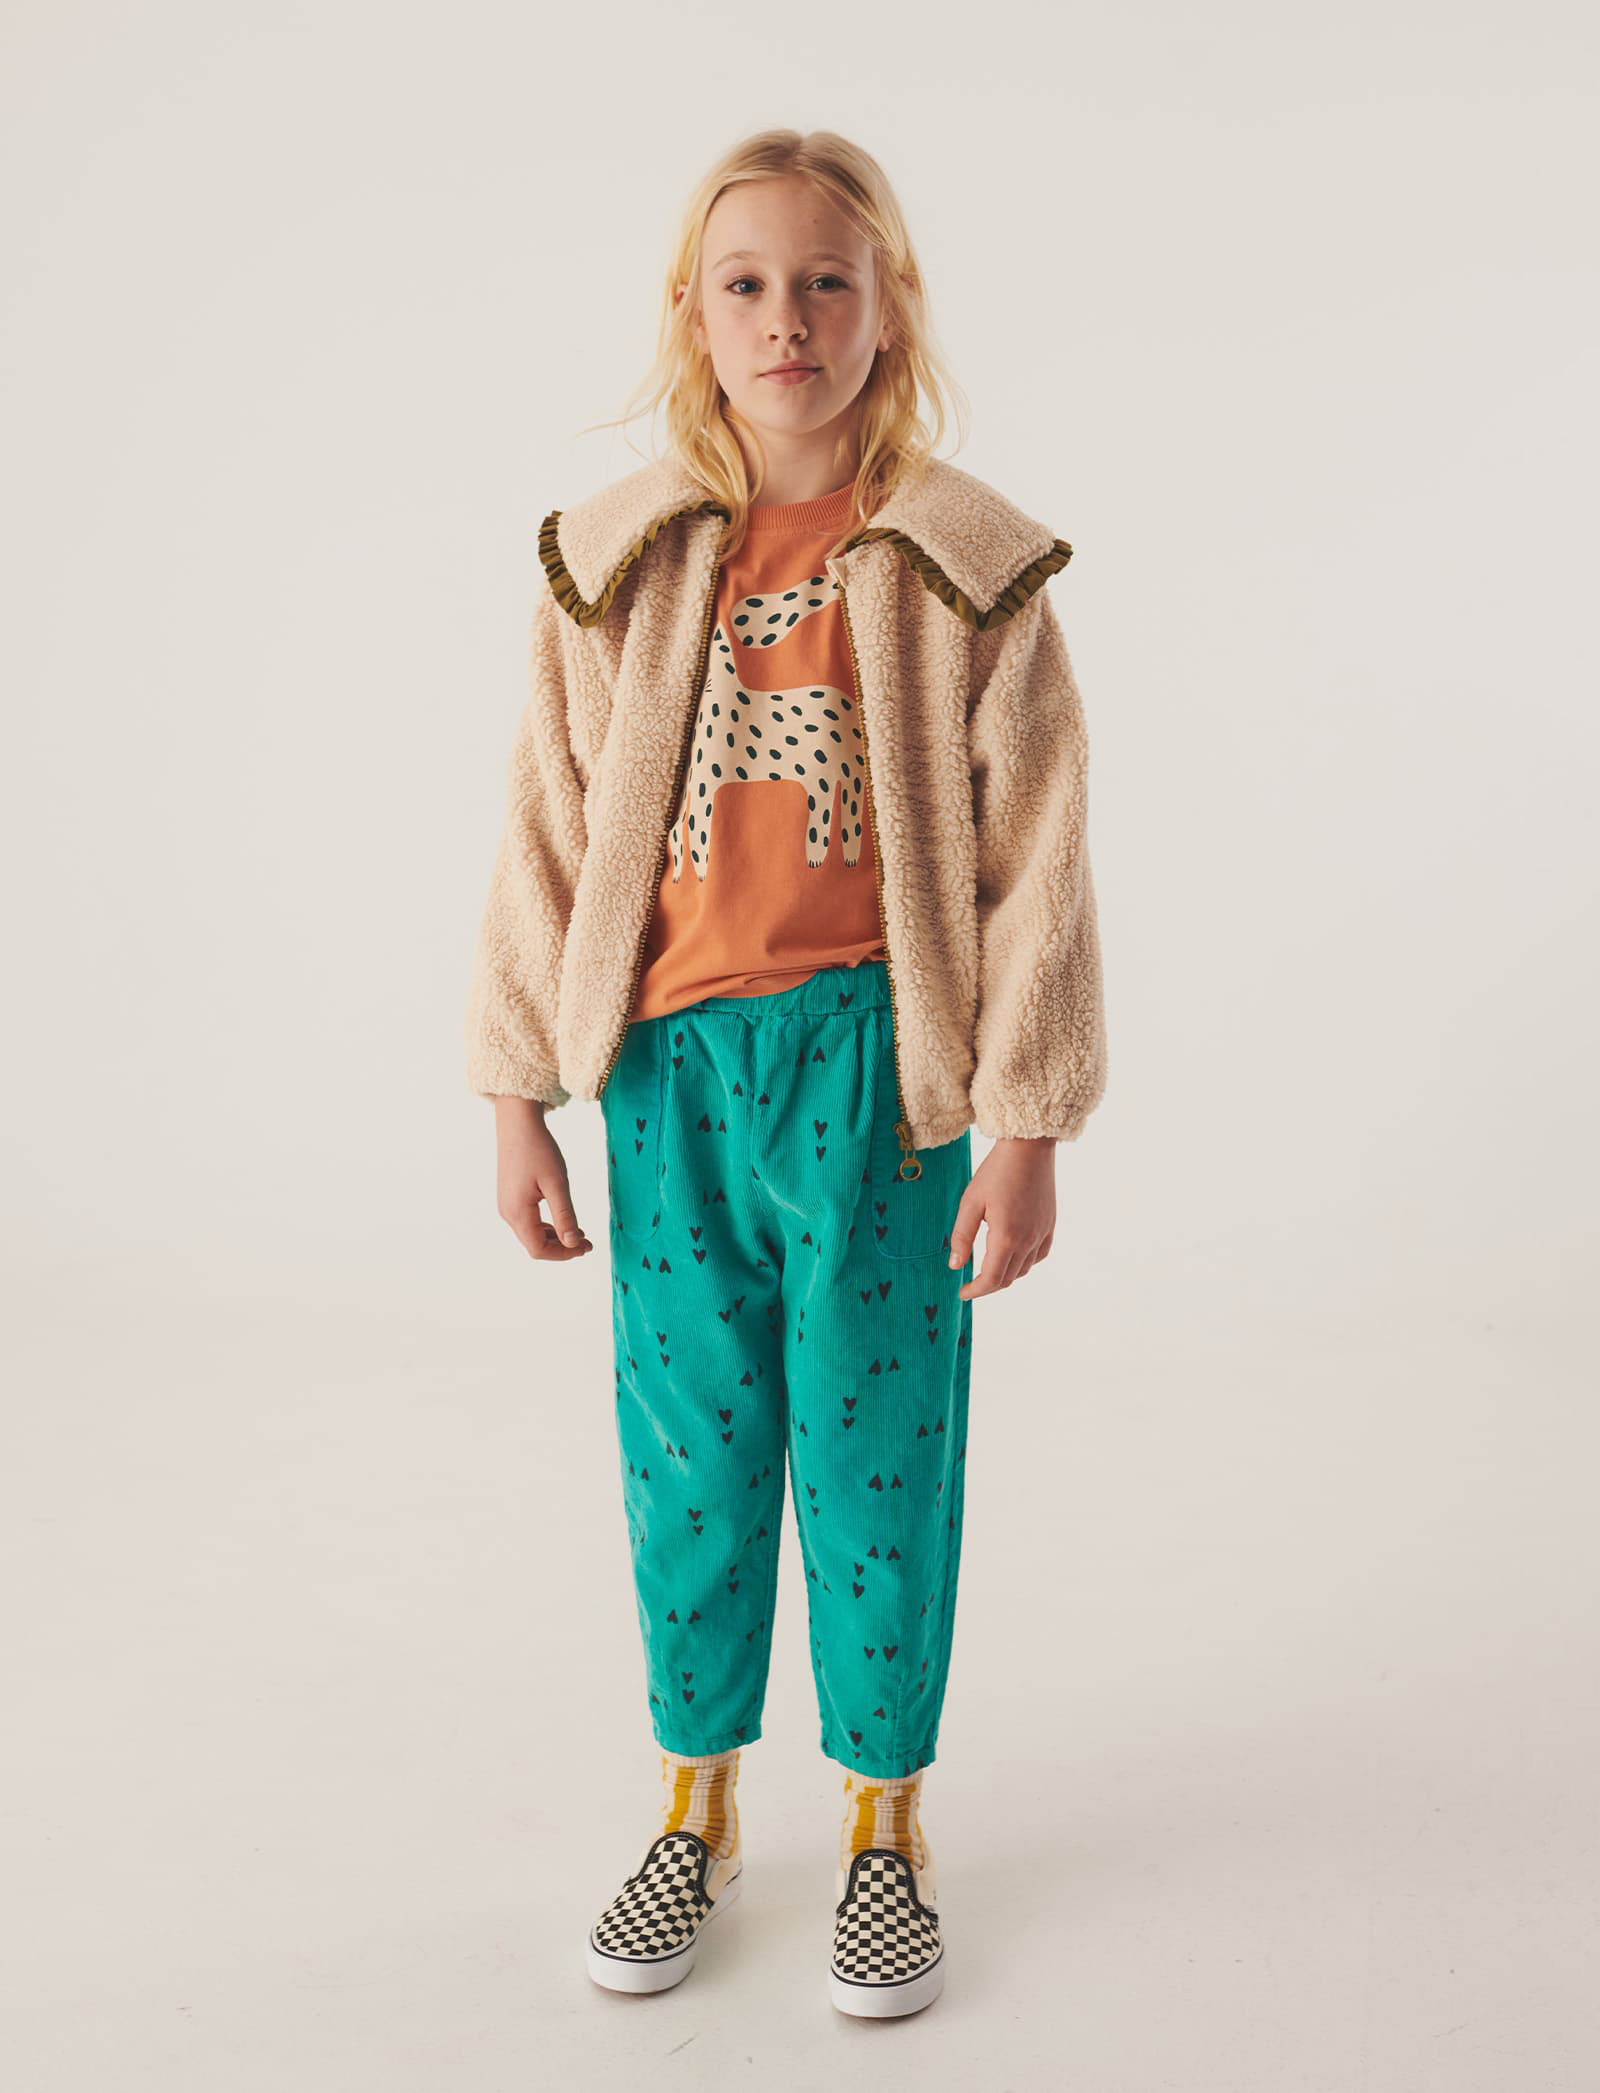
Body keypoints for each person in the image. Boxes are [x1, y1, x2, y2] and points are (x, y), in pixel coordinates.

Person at [464, 127, 1107, 2018]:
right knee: (691, 1445)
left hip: (879, 1081)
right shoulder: (616, 566)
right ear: (694, 314)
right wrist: (514, 1089)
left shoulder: (965, 570)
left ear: (889, 308)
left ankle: (886, 1824)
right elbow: (544, 830)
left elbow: (1039, 853)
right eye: (746, 284)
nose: (789, 319)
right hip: (667, 1079)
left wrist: (1027, 1119)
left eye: (830, 279)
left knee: (876, 1447)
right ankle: (697, 1799)